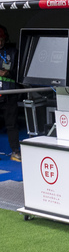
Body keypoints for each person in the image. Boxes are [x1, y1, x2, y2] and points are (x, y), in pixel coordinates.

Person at [0, 24, 20, 162]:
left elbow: (20, 71)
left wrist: (9, 72)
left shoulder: (13, 52)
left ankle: (15, 151)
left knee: (12, 124)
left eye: (1, 38)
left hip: (10, 92)